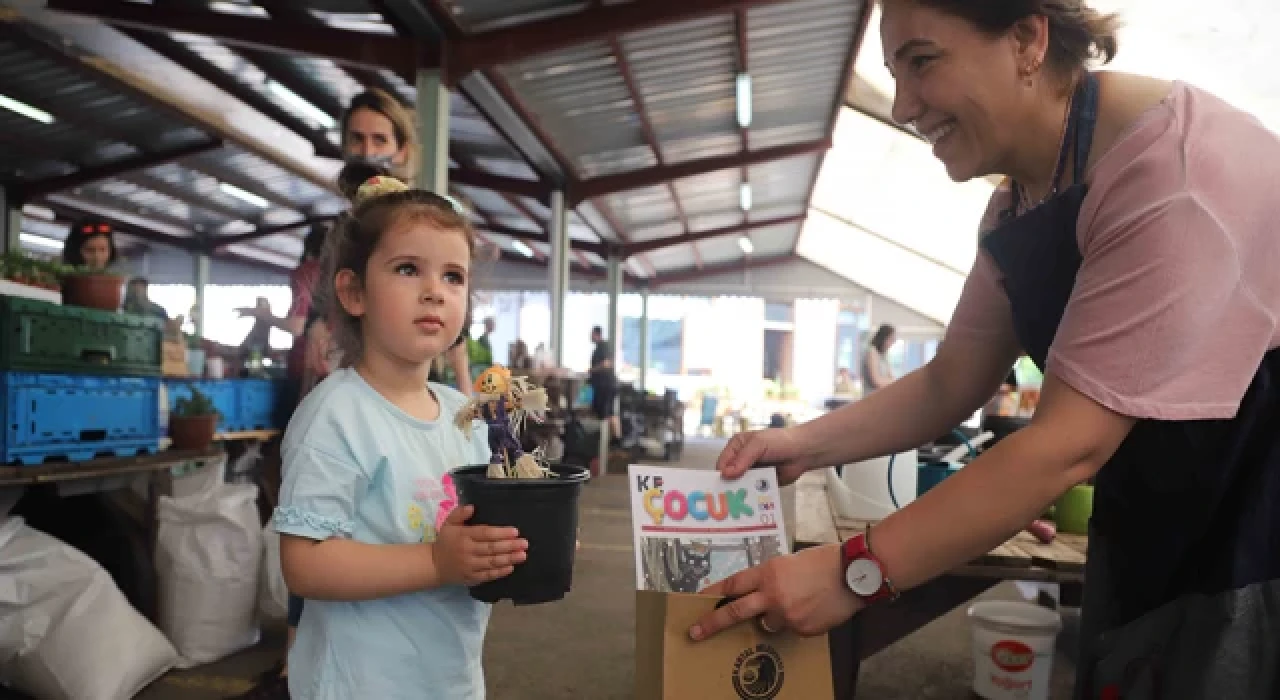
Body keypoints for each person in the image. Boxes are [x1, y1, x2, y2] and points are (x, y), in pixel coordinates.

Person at [688, 1, 1280, 697]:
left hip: (1254, 531)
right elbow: (952, 380)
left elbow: (1066, 446)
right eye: (892, 73)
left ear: (1028, 39)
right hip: (1158, 517)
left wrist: (856, 570)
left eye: (923, 61)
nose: (905, 106)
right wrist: (804, 444)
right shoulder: (1022, 199)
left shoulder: (1173, 178)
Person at [272, 176, 526, 700]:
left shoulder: (465, 417)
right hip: (359, 685)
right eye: (408, 269)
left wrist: (530, 543)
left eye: (453, 276)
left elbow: (484, 523)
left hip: (449, 680)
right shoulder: (336, 415)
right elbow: (305, 563)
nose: (434, 289)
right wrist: (437, 562)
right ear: (353, 292)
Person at [232, 90, 424, 700]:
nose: (370, 152)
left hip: (397, 404)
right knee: (315, 526)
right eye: (359, 140)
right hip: (331, 394)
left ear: (402, 148)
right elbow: (311, 315)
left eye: (380, 140)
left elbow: (442, 328)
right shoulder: (328, 236)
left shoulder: (422, 220)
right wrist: (307, 326)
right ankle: (298, 664)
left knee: (389, 525)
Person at [589, 325, 621, 442]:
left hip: (606, 385)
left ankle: (611, 440)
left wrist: (592, 370)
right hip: (604, 385)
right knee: (608, 412)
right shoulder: (599, 347)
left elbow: (606, 364)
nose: (590, 337)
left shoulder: (603, 346)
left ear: (597, 334)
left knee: (606, 413)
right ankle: (612, 440)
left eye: (591, 334)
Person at [861, 324, 897, 392]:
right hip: (872, 397)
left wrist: (893, 381)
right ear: (884, 338)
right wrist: (893, 381)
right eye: (891, 339)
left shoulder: (883, 356)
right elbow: (876, 381)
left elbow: (891, 377)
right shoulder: (872, 352)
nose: (891, 344)